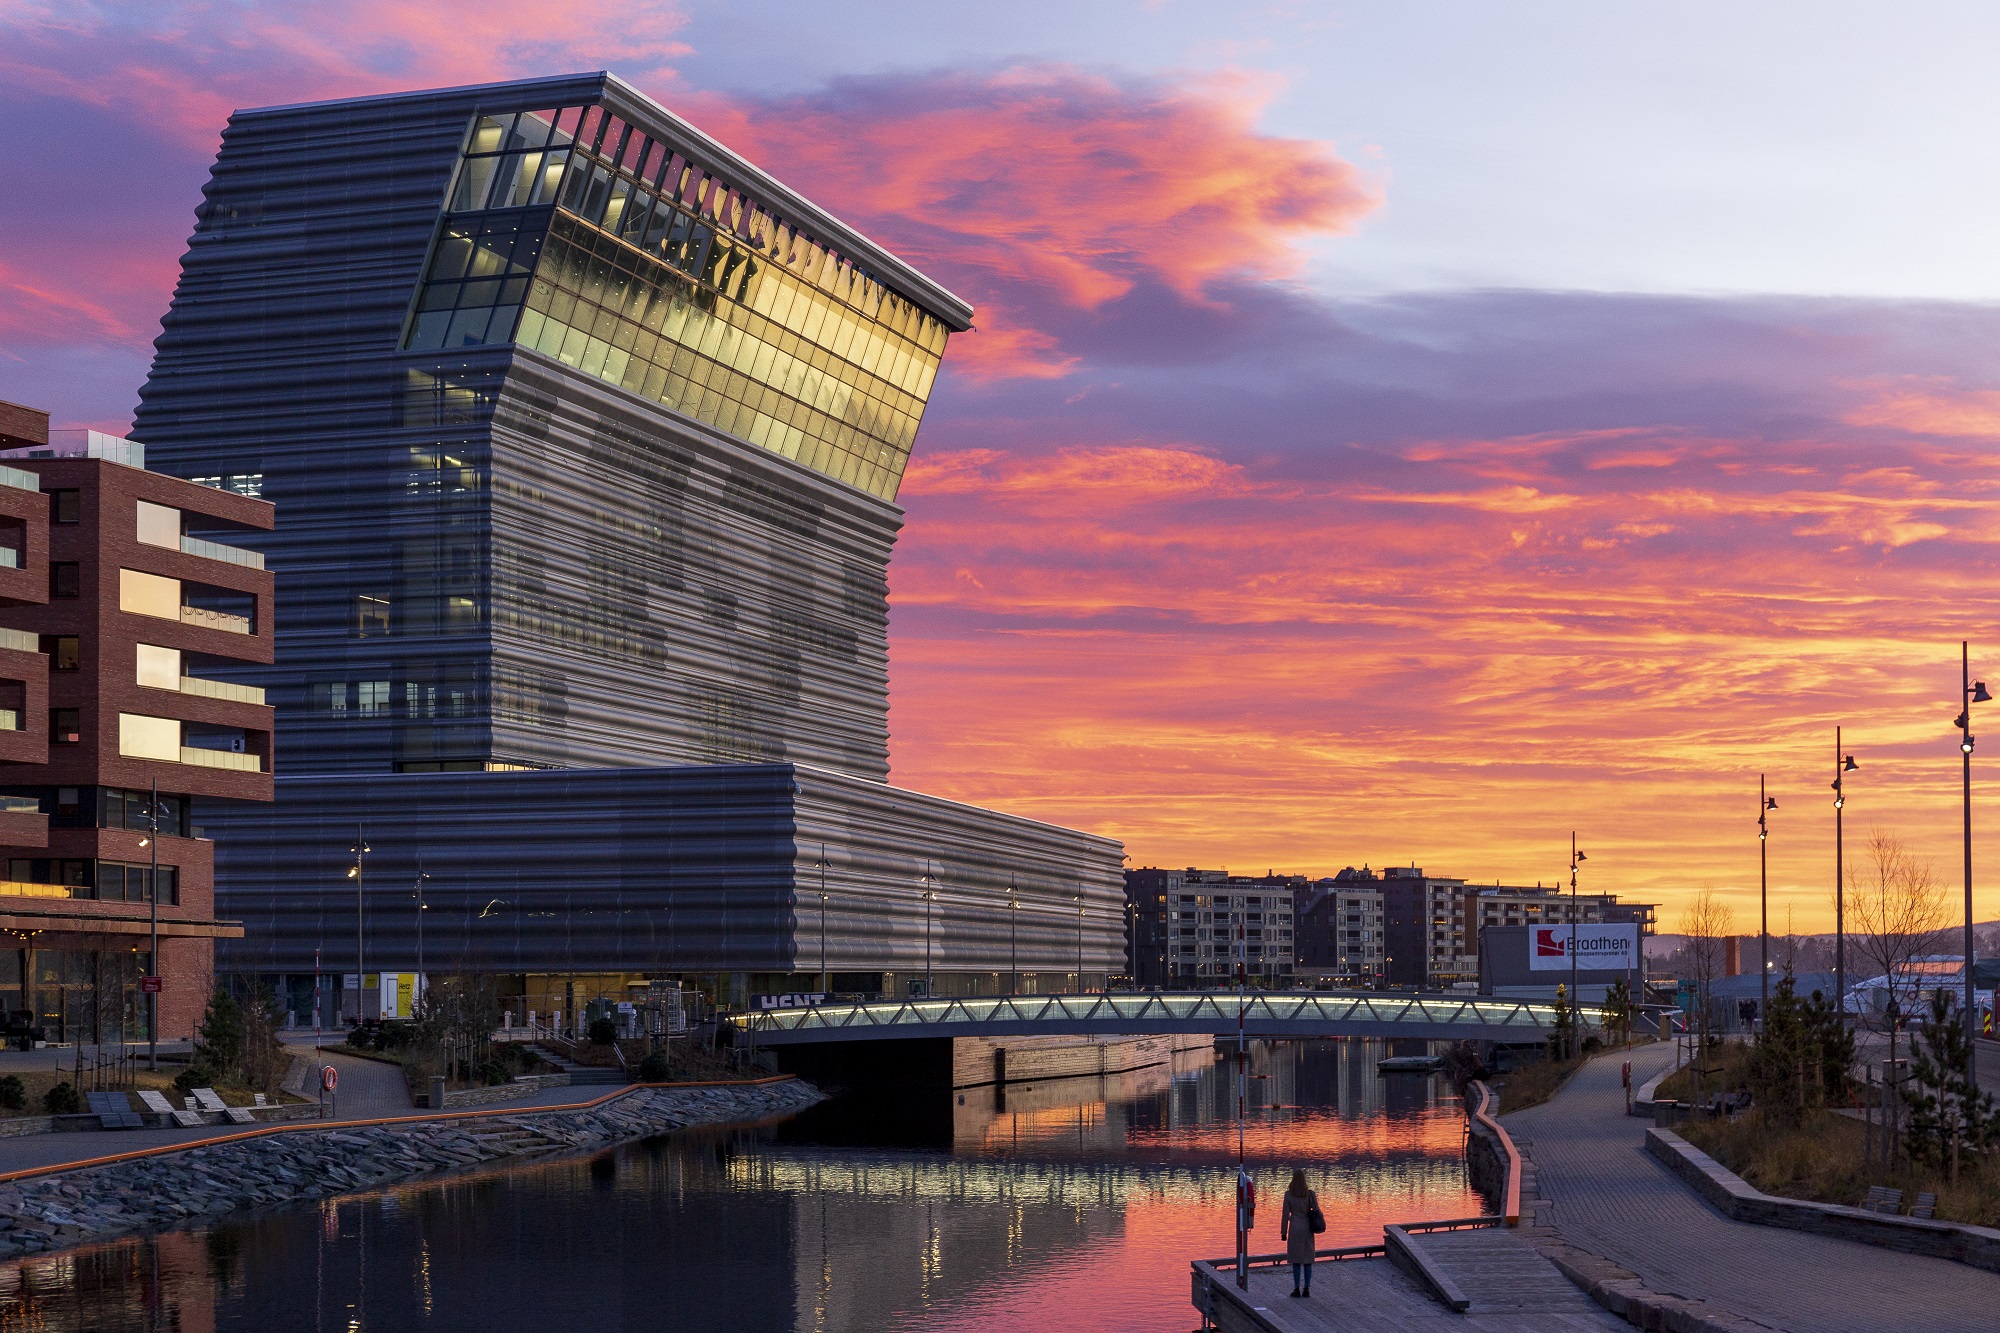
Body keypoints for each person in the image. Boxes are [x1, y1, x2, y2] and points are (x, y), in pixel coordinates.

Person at [1279, 1168, 1319, 1298]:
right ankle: (1306, 1288)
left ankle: (1296, 1288)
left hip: (1295, 1227)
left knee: (1296, 1260)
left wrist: (1283, 1232)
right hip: (1307, 1227)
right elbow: (1317, 1210)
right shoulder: (1309, 1194)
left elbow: (1285, 1215)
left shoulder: (1288, 1195)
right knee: (1307, 1260)